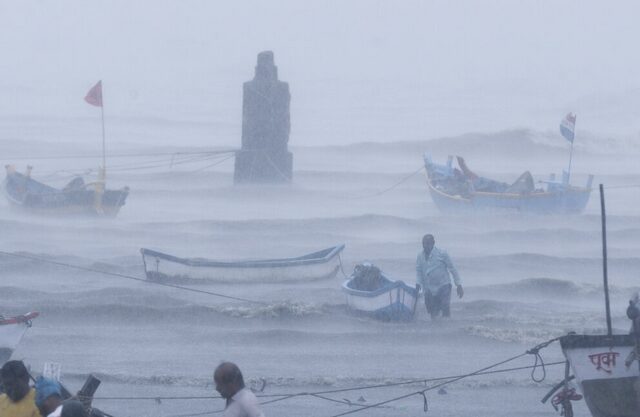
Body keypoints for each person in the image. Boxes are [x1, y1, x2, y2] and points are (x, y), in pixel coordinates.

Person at [416, 234, 463, 319]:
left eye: (428, 243)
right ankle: (436, 330)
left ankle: (447, 326)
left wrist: (458, 285)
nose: (426, 246)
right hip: (429, 288)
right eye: (424, 244)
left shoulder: (442, 253)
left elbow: (452, 268)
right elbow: (419, 272)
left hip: (444, 285)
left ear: (433, 243)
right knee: (433, 313)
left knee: (445, 308)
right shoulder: (420, 256)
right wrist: (418, 283)